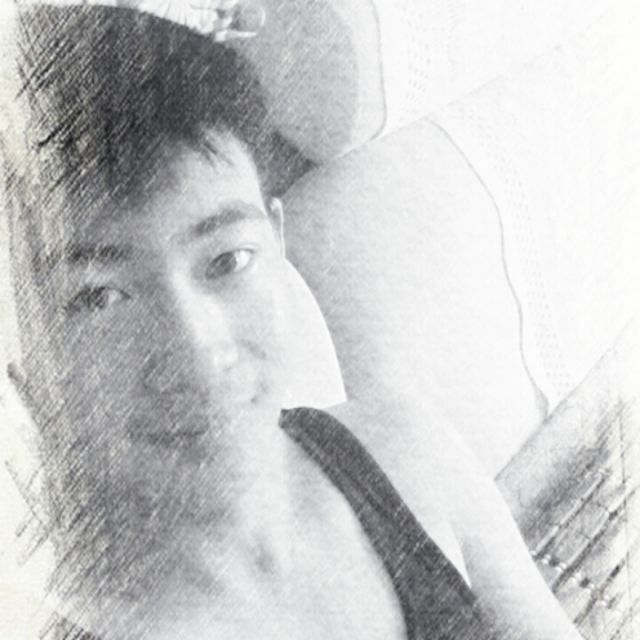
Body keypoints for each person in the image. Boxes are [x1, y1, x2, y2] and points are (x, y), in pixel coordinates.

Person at [3, 5, 583, 639]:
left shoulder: (405, 459)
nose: (198, 349)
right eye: (100, 298)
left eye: (227, 260)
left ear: (277, 250)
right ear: (27, 371)